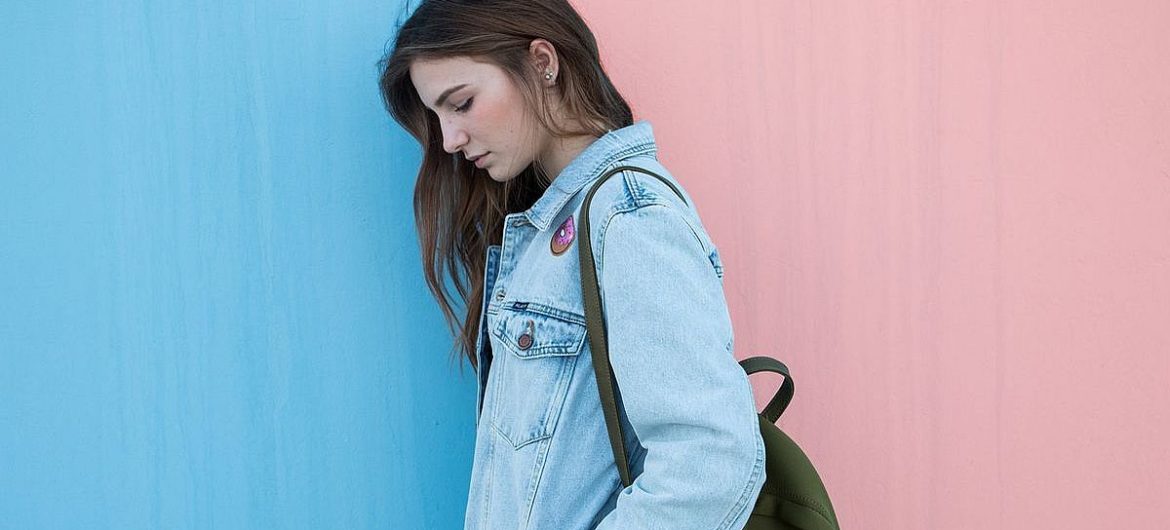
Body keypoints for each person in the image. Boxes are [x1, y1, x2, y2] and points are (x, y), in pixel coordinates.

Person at [378, 1, 765, 528]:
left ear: (543, 62)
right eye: (438, 117)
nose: (449, 140)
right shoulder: (552, 229)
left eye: (462, 103)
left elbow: (710, 462)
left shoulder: (627, 216)